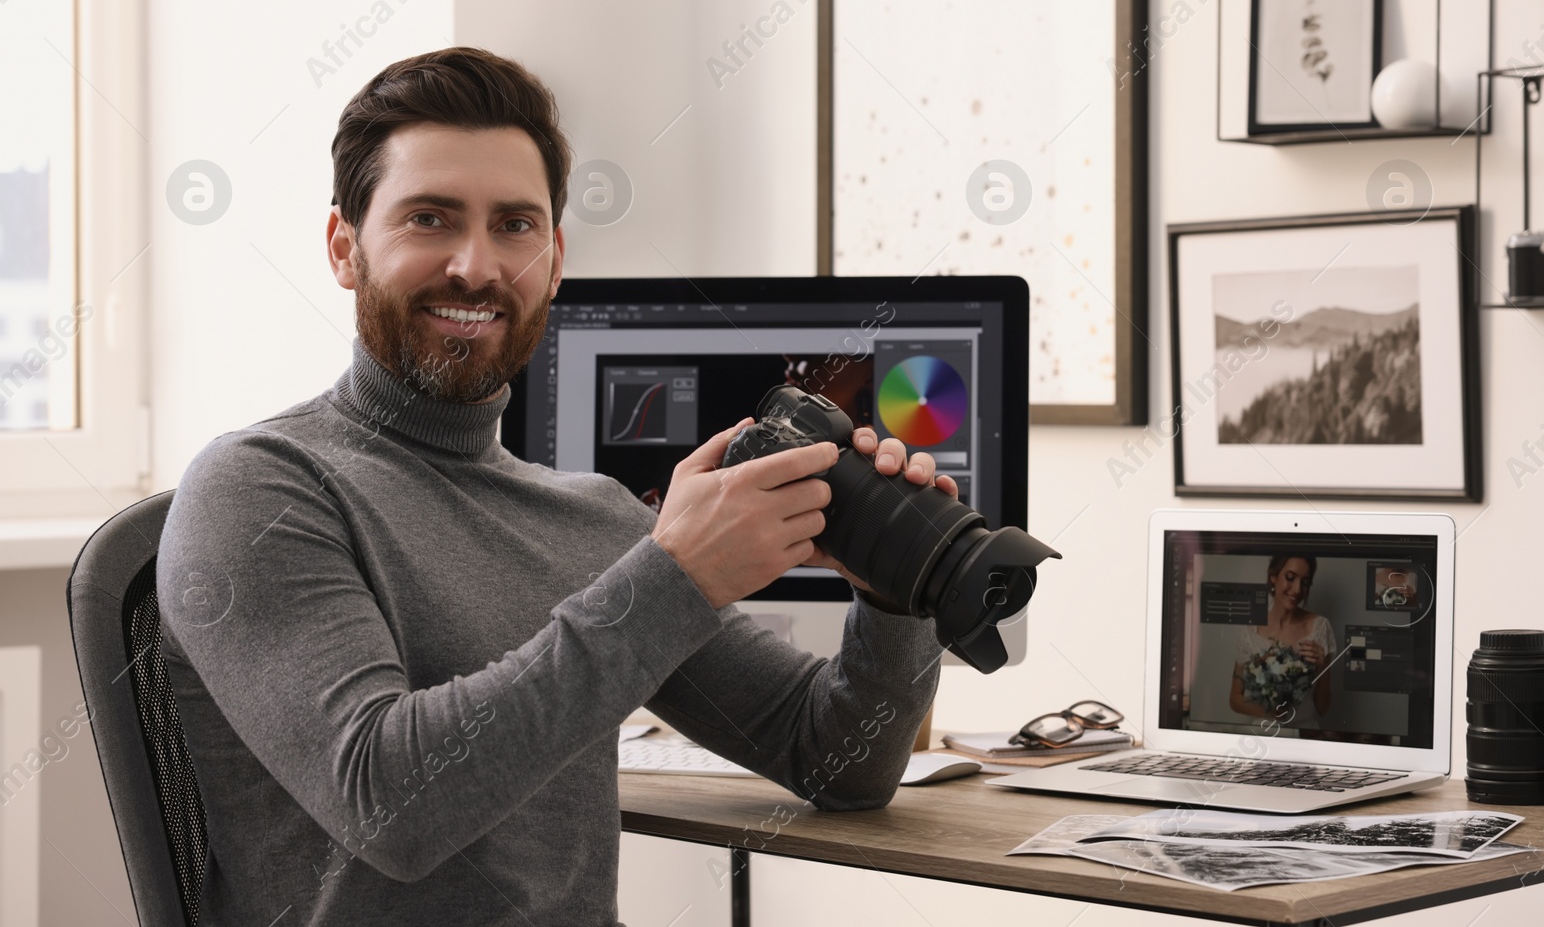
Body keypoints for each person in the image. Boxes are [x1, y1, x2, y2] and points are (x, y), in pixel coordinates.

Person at [155, 47, 956, 925]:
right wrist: (673, 578)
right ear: (345, 248)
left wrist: (894, 595)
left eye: (515, 225)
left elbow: (840, 762)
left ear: (556, 256)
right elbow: (389, 804)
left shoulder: (592, 519)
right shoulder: (258, 489)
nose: (476, 265)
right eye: (429, 218)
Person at [1227, 555, 1335, 726]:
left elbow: (1323, 708)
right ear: (1273, 576)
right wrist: (1271, 712)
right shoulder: (1250, 630)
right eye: (1290, 578)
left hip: (1304, 733)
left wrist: (1322, 666)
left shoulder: (1320, 627)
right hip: (1263, 733)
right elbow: (1235, 698)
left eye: (1305, 582)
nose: (1297, 589)